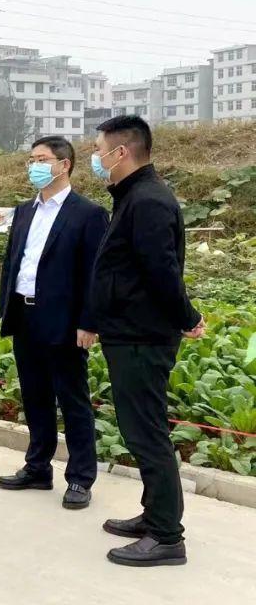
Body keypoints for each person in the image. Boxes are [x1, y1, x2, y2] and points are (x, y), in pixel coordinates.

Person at [89, 115, 203, 567]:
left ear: (121, 152)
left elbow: (162, 272)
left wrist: (187, 317)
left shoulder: (148, 201)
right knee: (140, 430)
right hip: (128, 332)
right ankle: (153, 514)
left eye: (99, 150)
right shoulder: (132, 197)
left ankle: (167, 536)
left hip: (142, 336)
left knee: (147, 432)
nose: (96, 158)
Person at [0, 136, 108, 509]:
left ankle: (80, 477)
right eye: (31, 160)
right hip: (24, 313)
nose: (34, 166)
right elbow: (13, 262)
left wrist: (88, 322)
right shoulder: (24, 211)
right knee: (35, 395)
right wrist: (6, 307)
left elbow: (94, 273)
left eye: (42, 159)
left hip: (64, 320)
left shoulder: (88, 214)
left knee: (72, 399)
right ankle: (37, 467)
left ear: (64, 164)